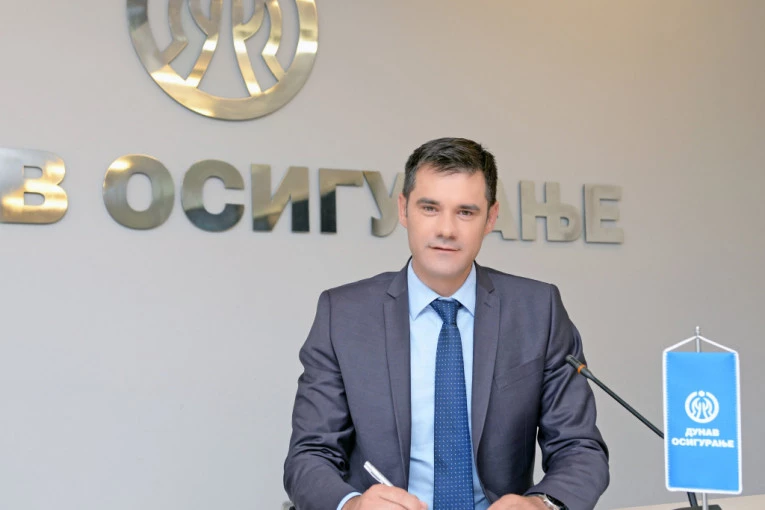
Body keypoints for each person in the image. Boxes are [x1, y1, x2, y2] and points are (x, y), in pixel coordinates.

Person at [284, 138, 609, 510]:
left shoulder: (538, 310)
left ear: (491, 218)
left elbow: (579, 447)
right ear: (403, 210)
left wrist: (541, 504)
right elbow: (309, 455)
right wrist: (353, 505)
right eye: (430, 208)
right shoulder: (343, 315)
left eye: (466, 212)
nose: (447, 229)